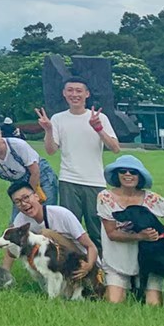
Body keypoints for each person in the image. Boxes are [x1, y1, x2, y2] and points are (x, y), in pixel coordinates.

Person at [34, 76, 120, 247]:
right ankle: (73, 269)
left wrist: (98, 129)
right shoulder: (58, 119)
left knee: (97, 230)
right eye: (70, 90)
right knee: (68, 231)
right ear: (64, 94)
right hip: (69, 181)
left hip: (95, 181)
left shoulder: (99, 118)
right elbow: (51, 150)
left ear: (87, 94)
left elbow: (115, 148)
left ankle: (101, 267)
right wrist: (49, 130)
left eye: (79, 91)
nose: (74, 94)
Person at [97, 155, 164, 305]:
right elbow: (111, 233)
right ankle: (124, 286)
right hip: (118, 260)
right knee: (113, 302)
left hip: (151, 262)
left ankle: (138, 288)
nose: (128, 175)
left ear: (140, 176)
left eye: (133, 172)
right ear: (117, 174)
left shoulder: (154, 199)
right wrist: (140, 236)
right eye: (123, 171)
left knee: (153, 304)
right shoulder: (105, 197)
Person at [2, 179, 98, 280]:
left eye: (26, 198)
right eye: (18, 202)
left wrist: (89, 266)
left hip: (78, 259)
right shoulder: (20, 220)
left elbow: (91, 246)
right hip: (54, 262)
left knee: (45, 234)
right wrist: (5, 273)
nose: (24, 203)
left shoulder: (62, 214)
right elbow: (11, 248)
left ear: (36, 196)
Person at [0, 120, 56, 231]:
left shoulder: (17, 145)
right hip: (20, 185)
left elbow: (35, 172)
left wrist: (29, 198)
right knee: (15, 226)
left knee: (44, 220)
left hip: (41, 179)